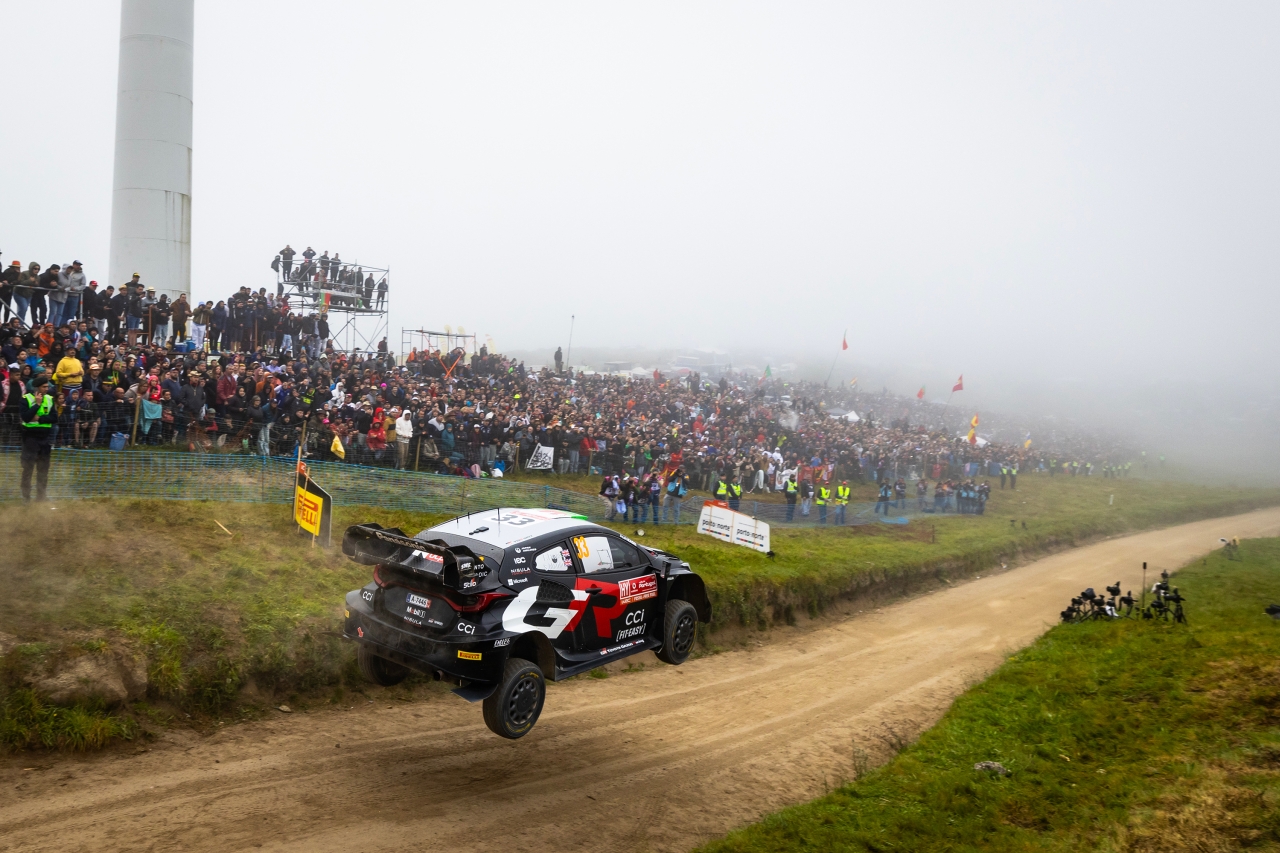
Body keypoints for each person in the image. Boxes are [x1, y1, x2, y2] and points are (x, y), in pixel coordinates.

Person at [20, 375, 57, 501]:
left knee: (43, 470)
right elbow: (26, 417)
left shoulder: (50, 399)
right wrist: (37, 405)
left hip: (44, 439)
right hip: (30, 438)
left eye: (47, 387)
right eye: (44, 387)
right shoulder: (26, 399)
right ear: (37, 388)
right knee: (28, 469)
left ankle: (41, 496)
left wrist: (40, 419)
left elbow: (54, 418)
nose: (47, 389)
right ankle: (26, 497)